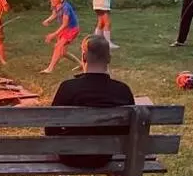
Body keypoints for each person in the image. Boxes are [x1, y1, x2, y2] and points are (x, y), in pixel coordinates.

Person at [45, 35, 135, 168]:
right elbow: (128, 130)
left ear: (84, 56)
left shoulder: (68, 88)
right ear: (109, 58)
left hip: (70, 155)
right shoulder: (122, 90)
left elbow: (50, 129)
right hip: (104, 156)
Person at [41, 0, 80, 74]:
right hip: (65, 29)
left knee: (58, 46)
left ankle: (50, 69)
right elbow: (55, 14)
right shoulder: (55, 5)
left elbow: (65, 24)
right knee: (62, 53)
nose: (51, 0)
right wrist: (48, 20)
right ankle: (81, 64)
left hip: (72, 29)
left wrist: (53, 34)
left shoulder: (66, 8)